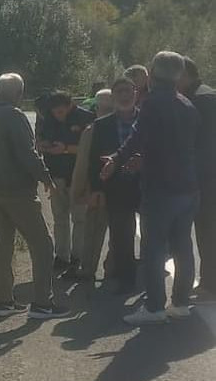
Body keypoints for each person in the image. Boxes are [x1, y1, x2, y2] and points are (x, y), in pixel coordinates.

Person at [102, 52, 200, 325]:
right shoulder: (187, 105)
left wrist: (116, 158)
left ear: (153, 72)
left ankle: (155, 306)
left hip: (160, 187)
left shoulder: (153, 103)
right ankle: (180, 302)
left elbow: (138, 136)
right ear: (179, 74)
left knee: (153, 249)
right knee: (183, 246)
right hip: (189, 187)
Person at [0, 73, 70, 320]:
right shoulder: (15, 117)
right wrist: (46, 179)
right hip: (16, 191)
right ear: (18, 93)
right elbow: (28, 154)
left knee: (4, 243)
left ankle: (3, 300)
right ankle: (42, 303)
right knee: (43, 245)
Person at [88, 79, 141, 295]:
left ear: (135, 93)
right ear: (113, 97)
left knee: (155, 235)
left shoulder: (148, 120)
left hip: (148, 184)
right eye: (119, 92)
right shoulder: (102, 125)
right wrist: (96, 189)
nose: (124, 95)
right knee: (122, 235)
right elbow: (93, 160)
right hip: (117, 187)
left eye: (128, 91)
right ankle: (127, 279)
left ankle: (150, 279)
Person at [37, 91, 96, 279]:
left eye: (61, 111)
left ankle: (77, 256)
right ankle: (61, 255)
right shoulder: (49, 119)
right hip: (56, 175)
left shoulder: (86, 118)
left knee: (79, 219)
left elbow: (92, 150)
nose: (58, 115)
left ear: (70, 105)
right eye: (55, 112)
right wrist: (44, 145)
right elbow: (40, 141)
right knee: (59, 217)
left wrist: (66, 149)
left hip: (78, 175)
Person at [179, 56, 216, 301]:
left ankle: (210, 286)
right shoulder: (205, 94)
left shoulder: (201, 100)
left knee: (207, 231)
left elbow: (202, 144)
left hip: (206, 177)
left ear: (185, 75)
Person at [71, 89, 114, 283]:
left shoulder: (91, 130)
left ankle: (88, 269)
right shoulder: (128, 125)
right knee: (119, 232)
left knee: (93, 231)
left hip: (97, 190)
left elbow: (82, 166)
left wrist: (79, 192)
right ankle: (112, 267)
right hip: (119, 190)